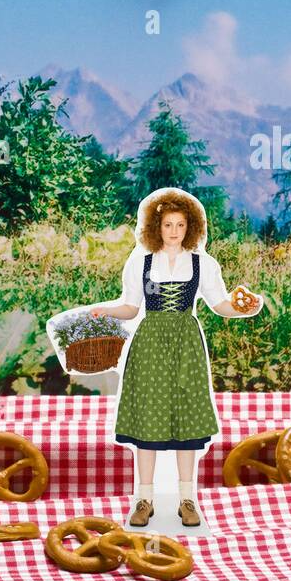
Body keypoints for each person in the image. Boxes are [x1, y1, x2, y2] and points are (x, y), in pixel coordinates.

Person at [91, 187, 261, 528]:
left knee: (188, 422)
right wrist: (102, 311)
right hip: (151, 341)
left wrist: (247, 308)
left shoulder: (203, 263)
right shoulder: (140, 261)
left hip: (186, 343)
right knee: (147, 421)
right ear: (156, 227)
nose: (173, 231)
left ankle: (188, 499)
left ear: (191, 228)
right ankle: (144, 500)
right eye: (168, 224)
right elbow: (130, 307)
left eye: (180, 225)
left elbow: (219, 304)